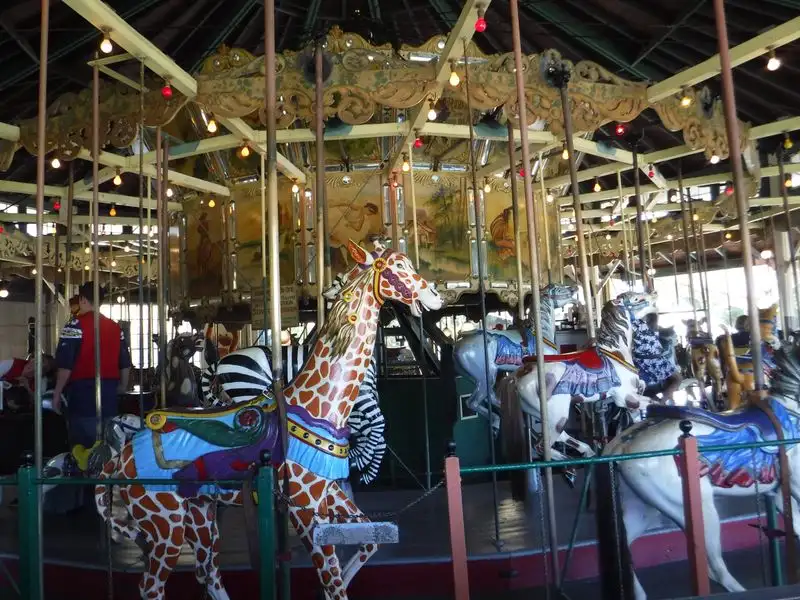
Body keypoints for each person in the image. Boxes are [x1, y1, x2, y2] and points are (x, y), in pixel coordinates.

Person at [52, 282, 131, 448]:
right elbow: (124, 361)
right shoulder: (116, 328)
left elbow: (66, 364)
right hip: (109, 392)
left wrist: (57, 392)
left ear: (82, 300)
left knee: (84, 445)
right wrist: (123, 385)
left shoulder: (74, 326)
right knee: (108, 442)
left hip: (83, 391)